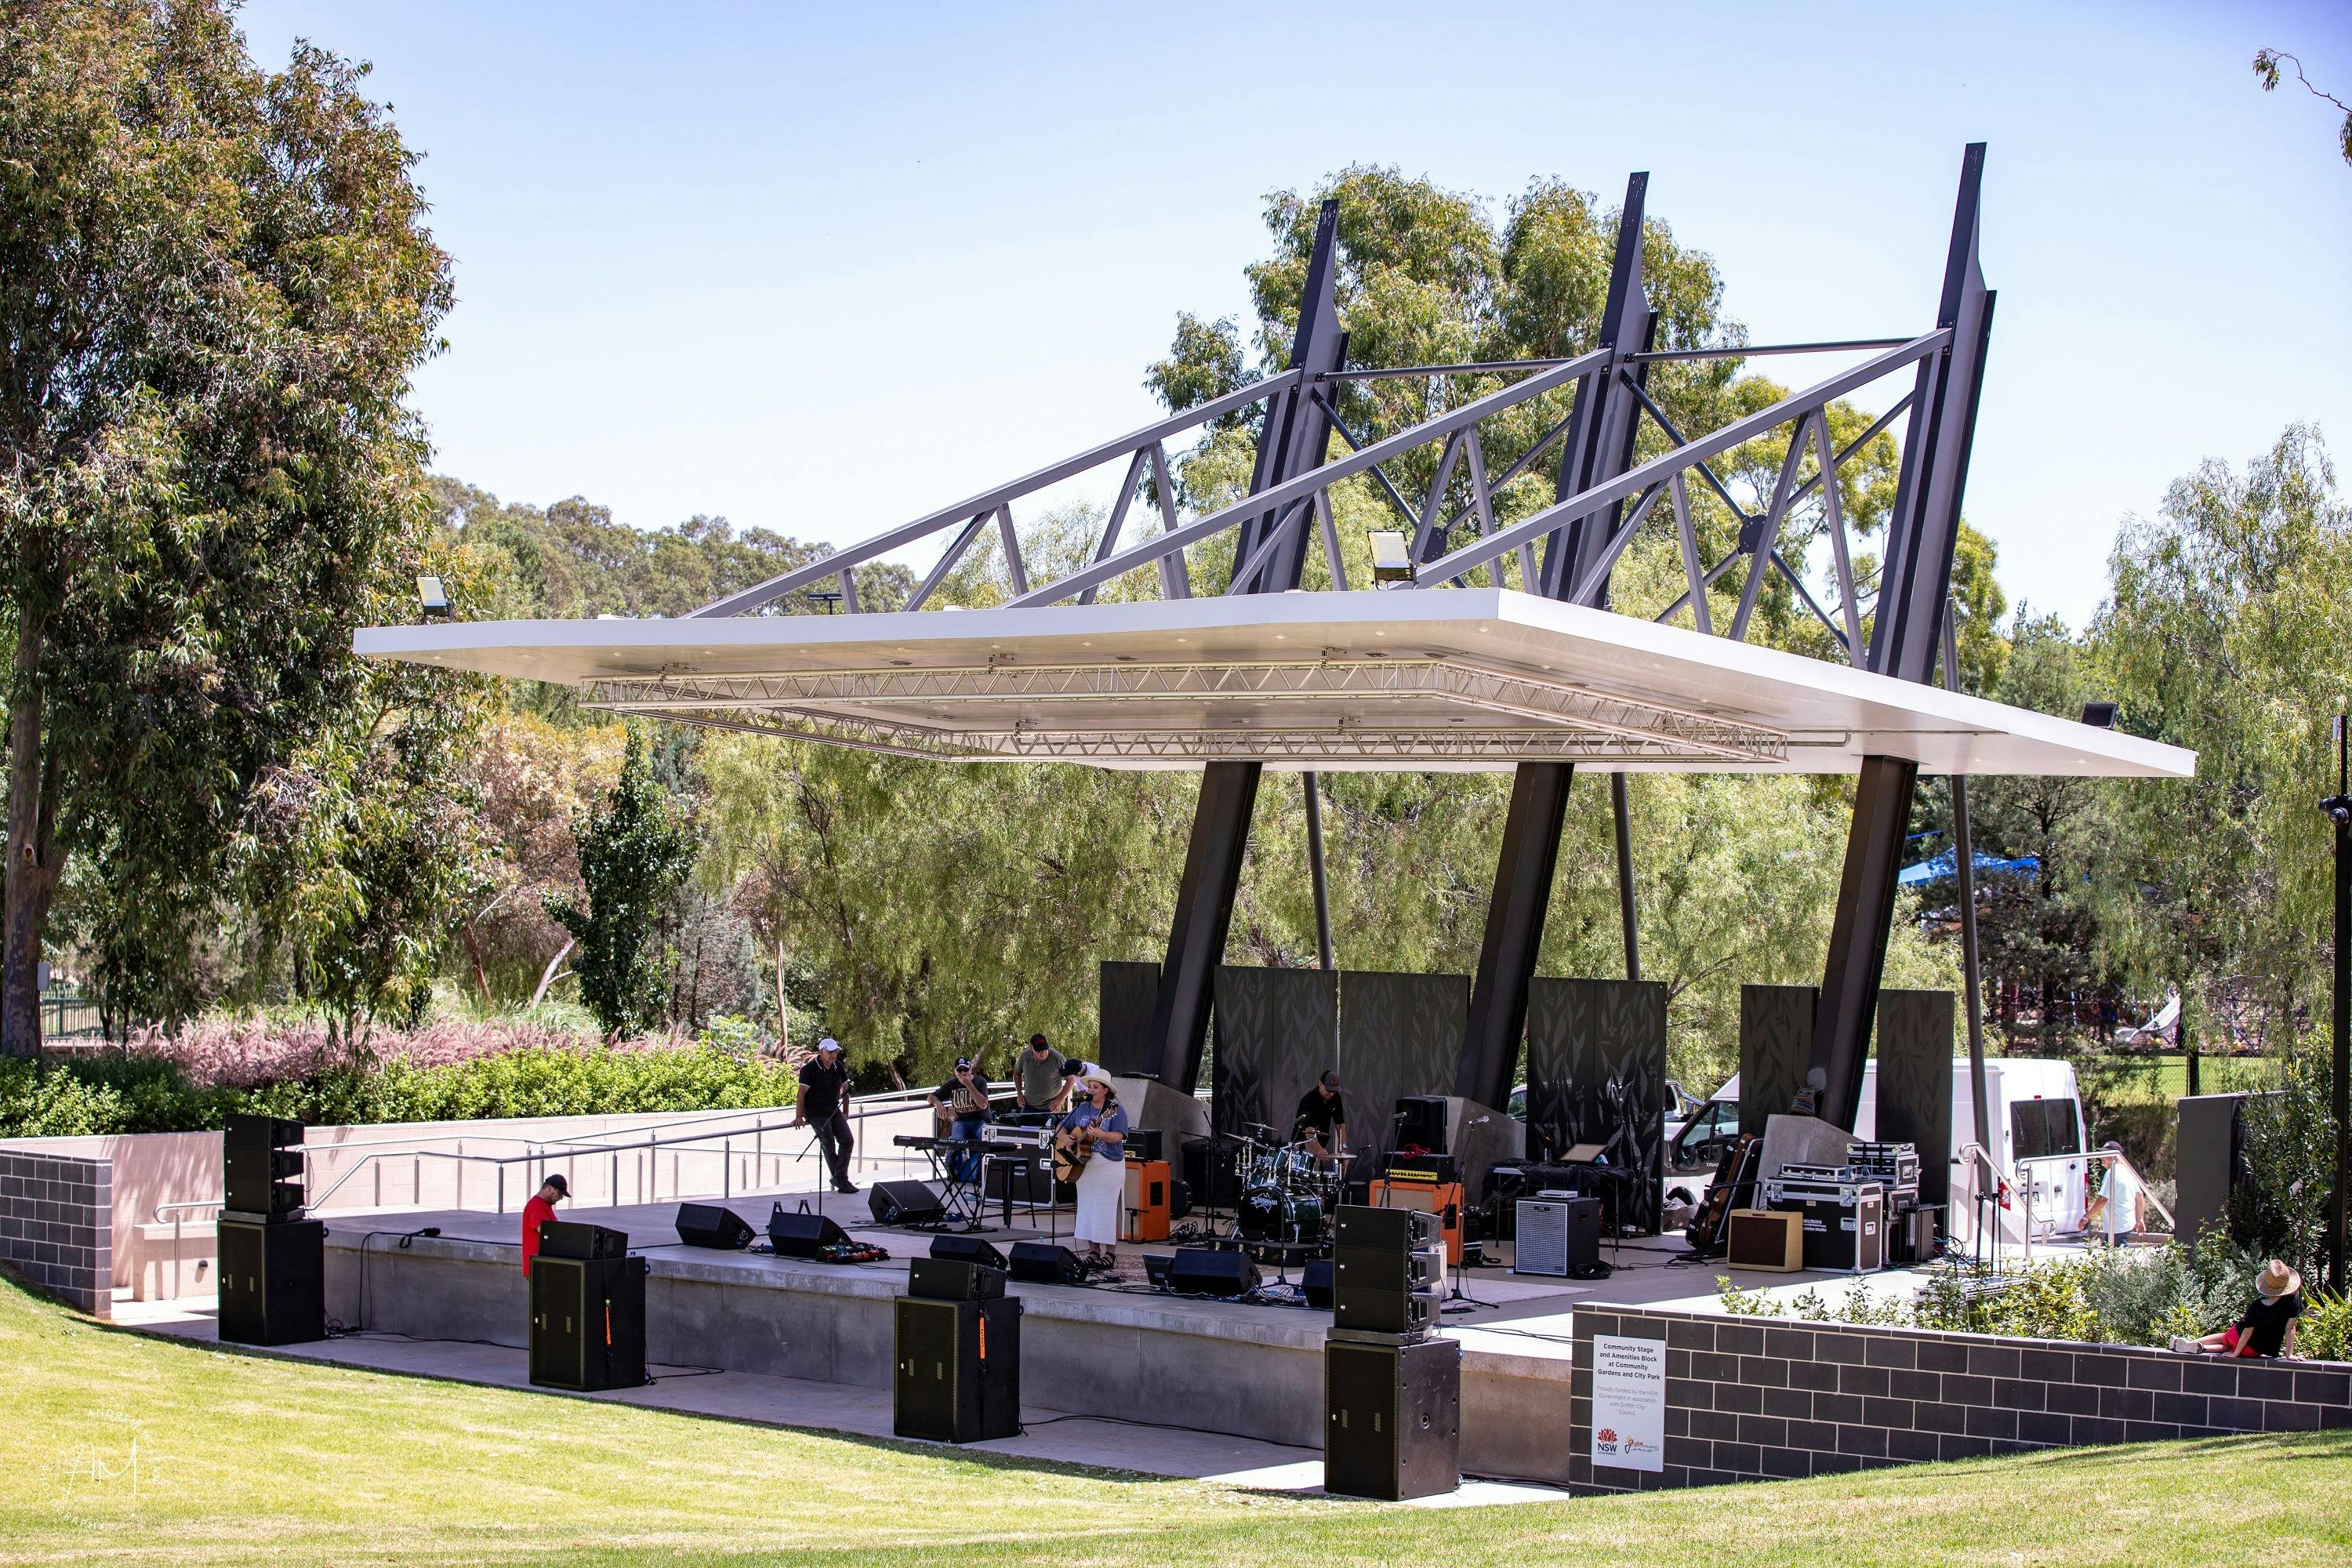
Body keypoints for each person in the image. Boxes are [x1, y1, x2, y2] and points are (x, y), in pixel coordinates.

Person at [1060, 1069, 1129, 1268]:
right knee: (1088, 1209)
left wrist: (1101, 1134)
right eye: (1090, 1086)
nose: (1091, 1090)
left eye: (1095, 1087)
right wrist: (1065, 1138)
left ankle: (1110, 1254)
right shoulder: (1081, 1108)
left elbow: (1119, 1136)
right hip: (1085, 1165)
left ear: (1106, 1090)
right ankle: (1093, 1251)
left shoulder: (1116, 1110)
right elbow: (1061, 1128)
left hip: (1109, 1165)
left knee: (1107, 1210)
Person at [2172, 1260, 2307, 1358]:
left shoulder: (2257, 1305)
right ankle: (2203, 1348)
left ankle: (2190, 1342)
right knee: (2226, 1349)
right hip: (2253, 1351)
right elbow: (2290, 1329)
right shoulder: (2294, 1302)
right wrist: (2289, 1355)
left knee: (2225, 1337)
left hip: (2237, 1336)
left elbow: (2248, 1331)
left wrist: (2235, 1354)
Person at [793, 1037, 858, 1194]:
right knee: (828, 1141)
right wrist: (799, 1116)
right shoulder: (809, 1069)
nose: (833, 1055)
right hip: (815, 1113)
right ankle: (841, 1179)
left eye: (835, 1052)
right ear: (821, 1052)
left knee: (847, 1140)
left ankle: (840, 1178)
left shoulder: (838, 1066)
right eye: (830, 1052)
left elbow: (845, 1089)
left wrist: (846, 1112)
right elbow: (801, 1094)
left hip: (833, 1110)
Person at [929, 1057, 994, 1184]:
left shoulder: (980, 1081)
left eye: (966, 1069)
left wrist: (969, 1085)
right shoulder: (952, 1084)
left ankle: (981, 1173)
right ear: (955, 1072)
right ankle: (949, 1167)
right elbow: (931, 1097)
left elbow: (983, 1104)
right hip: (962, 1121)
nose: (963, 1073)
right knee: (955, 1140)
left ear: (971, 1070)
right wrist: (938, 1104)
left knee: (983, 1139)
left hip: (980, 1120)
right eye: (960, 1070)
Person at [2082, 1141, 2141, 1246]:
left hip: (2117, 1226)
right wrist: (2139, 1219)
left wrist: (2086, 1217)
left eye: (2105, 1154)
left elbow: (2102, 1200)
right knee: (2109, 1252)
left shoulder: (2111, 1173)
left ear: (2114, 1157)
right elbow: (2139, 1196)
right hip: (2126, 1223)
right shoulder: (2128, 1171)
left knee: (2115, 1253)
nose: (2101, 1157)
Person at [1292, 1070, 1348, 1163]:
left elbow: (1340, 1124)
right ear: (1320, 1084)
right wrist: (1318, 1149)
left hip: (1321, 1143)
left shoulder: (1336, 1098)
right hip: (1305, 1142)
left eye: (1334, 1091)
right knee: (1313, 1167)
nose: (1331, 1094)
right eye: (1329, 1090)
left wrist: (1344, 1149)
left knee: (1321, 1167)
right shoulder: (1310, 1100)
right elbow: (1308, 1130)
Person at [519, 1173, 568, 1276]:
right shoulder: (536, 1204)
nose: (560, 1198)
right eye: (560, 1194)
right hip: (538, 1266)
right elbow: (545, 1232)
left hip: (543, 1265)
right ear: (550, 1189)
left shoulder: (544, 1205)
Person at [1014, 1033, 1069, 1116]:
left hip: (1051, 1108)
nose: (1043, 1053)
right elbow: (1017, 1073)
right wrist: (1019, 1093)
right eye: (1039, 1050)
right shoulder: (1025, 1056)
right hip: (1028, 1106)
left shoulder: (1058, 1058)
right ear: (1031, 1048)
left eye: (1045, 1049)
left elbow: (1071, 1080)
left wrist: (1059, 1100)